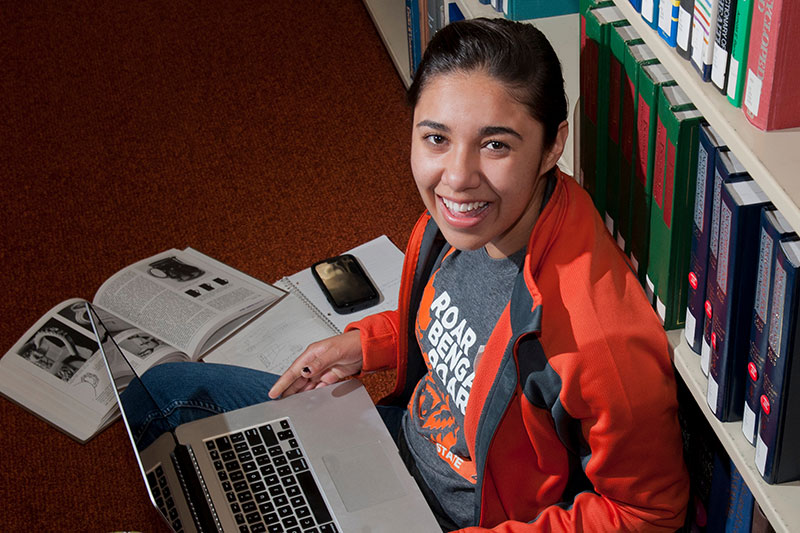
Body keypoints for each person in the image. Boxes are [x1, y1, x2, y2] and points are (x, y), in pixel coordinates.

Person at [127, 17, 689, 531]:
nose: (457, 177)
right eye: (436, 138)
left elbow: (649, 512)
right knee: (163, 394)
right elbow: (465, 328)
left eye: (495, 144)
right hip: (392, 440)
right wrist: (364, 345)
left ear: (552, 146)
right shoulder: (467, 222)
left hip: (463, 519)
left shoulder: (597, 340)